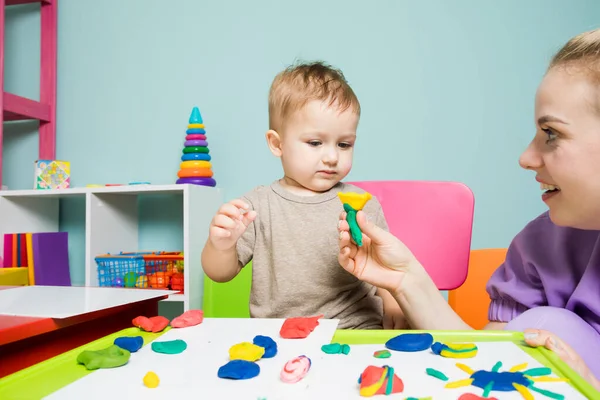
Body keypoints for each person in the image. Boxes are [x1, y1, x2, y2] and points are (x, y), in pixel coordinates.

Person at [337, 28, 600, 391]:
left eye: (551, 134)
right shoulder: (539, 245)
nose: (526, 157)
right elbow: (484, 355)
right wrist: (405, 278)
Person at [201, 61, 404, 329]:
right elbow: (219, 274)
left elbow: (385, 266)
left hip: (354, 327)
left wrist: (392, 303)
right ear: (277, 143)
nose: (332, 157)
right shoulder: (256, 206)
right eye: (315, 143)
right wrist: (221, 246)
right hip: (279, 333)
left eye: (344, 144)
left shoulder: (363, 205)